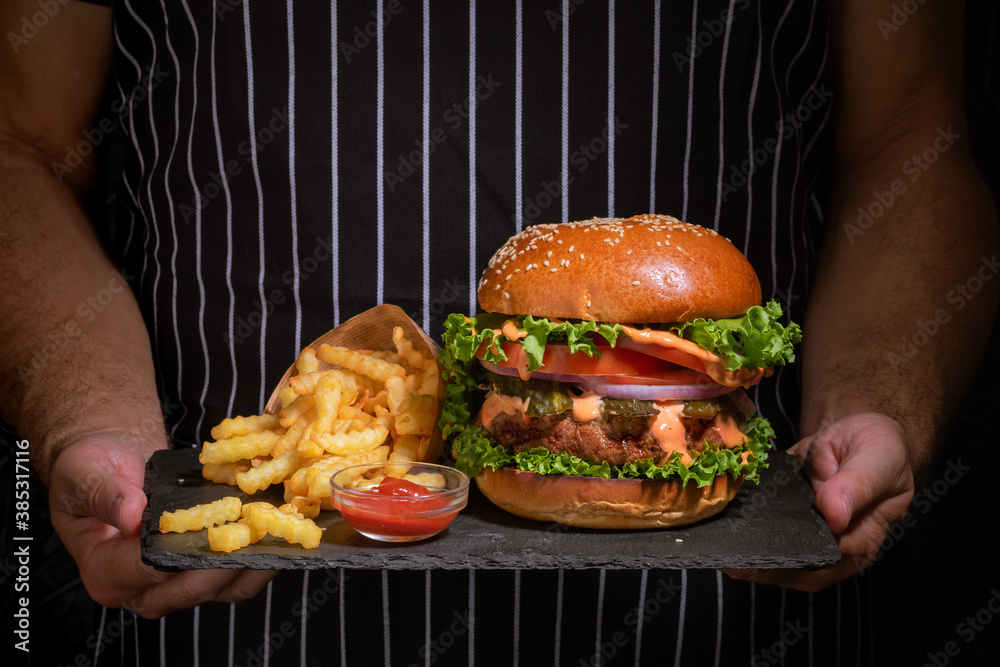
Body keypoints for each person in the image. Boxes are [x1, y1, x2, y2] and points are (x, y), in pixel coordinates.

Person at [1, 0, 996, 665]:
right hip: (234, 615)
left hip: (736, 623)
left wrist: (872, 404)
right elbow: (23, 144)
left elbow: (912, 132)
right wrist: (96, 428)